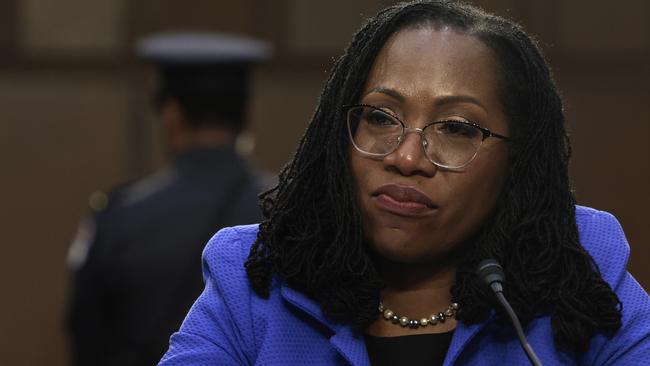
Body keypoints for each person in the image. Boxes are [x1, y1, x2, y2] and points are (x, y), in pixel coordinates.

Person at [158, 2, 650, 365]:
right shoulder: (255, 279)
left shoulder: (579, 270)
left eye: (457, 129)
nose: (407, 157)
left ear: (518, 161)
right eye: (379, 117)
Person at [66, 32, 272, 366]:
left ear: (171, 113)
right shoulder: (288, 211)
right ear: (247, 114)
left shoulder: (120, 217)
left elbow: (85, 334)